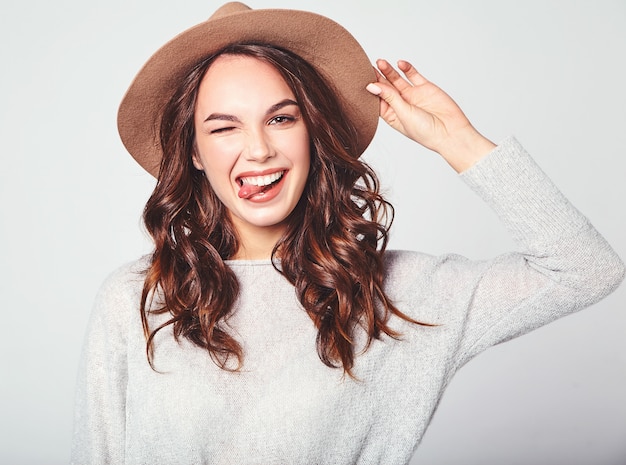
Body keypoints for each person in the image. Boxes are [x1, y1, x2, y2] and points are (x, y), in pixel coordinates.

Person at [71, 2, 624, 464]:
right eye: (224, 127)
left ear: (313, 131)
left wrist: (457, 140)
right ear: (193, 151)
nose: (258, 149)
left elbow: (587, 269)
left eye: (282, 118)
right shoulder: (138, 299)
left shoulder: (398, 295)